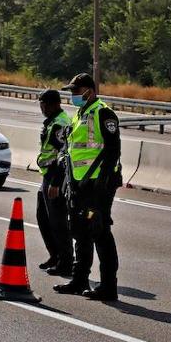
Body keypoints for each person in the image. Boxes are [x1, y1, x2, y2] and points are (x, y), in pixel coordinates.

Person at [52, 72, 123, 301]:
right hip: (78, 182)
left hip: (98, 184)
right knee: (80, 232)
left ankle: (108, 286)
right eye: (71, 92)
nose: (72, 95)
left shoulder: (103, 112)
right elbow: (72, 147)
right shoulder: (79, 114)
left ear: (89, 91)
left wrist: (102, 184)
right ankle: (79, 279)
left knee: (99, 231)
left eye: (75, 91)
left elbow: (112, 150)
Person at [34, 89, 73, 275]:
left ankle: (65, 261)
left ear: (52, 104)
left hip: (56, 176)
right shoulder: (53, 121)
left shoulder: (59, 124)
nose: (41, 107)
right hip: (47, 175)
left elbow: (63, 156)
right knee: (43, 217)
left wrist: (56, 183)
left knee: (57, 221)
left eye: (43, 104)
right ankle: (55, 255)